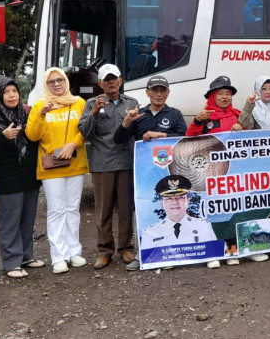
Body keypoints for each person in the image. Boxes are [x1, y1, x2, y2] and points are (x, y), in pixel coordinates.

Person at [185, 76, 268, 267]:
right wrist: (197, 121)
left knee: (238, 209)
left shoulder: (236, 115)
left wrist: (242, 127)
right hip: (212, 175)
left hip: (236, 175)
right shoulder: (205, 117)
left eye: (228, 94)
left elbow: (254, 137)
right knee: (213, 212)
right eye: (220, 93)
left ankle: (240, 250)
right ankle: (212, 252)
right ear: (213, 96)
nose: (225, 97)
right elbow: (189, 138)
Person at [113, 74, 187, 270]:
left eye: (163, 90)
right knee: (142, 209)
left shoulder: (175, 114)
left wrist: (161, 134)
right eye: (155, 90)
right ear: (147, 92)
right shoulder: (139, 114)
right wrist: (127, 122)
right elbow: (118, 140)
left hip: (169, 172)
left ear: (168, 93)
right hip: (143, 173)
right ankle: (141, 254)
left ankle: (169, 253)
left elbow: (184, 136)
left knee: (170, 210)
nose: (159, 94)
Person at [25, 67, 89, 275]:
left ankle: (74, 251)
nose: (56, 84)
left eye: (60, 80)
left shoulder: (79, 103)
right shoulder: (40, 105)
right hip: (51, 166)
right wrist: (42, 113)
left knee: (72, 208)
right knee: (56, 210)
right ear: (46, 85)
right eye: (51, 82)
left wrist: (73, 143)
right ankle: (58, 256)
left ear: (66, 81)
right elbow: (32, 135)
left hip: (74, 162)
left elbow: (85, 129)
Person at [78, 64, 138, 270]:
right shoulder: (91, 103)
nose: (111, 82)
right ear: (100, 83)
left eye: (114, 78)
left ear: (120, 80)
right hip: (102, 163)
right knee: (102, 210)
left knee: (125, 208)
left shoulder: (132, 102)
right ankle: (104, 251)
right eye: (107, 79)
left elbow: (136, 131)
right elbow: (85, 133)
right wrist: (94, 112)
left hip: (125, 162)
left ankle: (125, 248)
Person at [0, 77, 41, 279]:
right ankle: (11, 262)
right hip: (8, 178)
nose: (12, 95)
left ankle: (25, 256)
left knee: (27, 218)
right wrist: (3, 137)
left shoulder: (25, 114)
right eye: (6, 92)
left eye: (14, 90)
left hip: (29, 175)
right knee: (10, 220)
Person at [140, 175, 217, 248]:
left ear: (188, 201)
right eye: (169, 198)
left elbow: (214, 252)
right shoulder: (150, 232)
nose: (175, 202)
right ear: (162, 203)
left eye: (180, 197)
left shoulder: (204, 226)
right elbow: (148, 258)